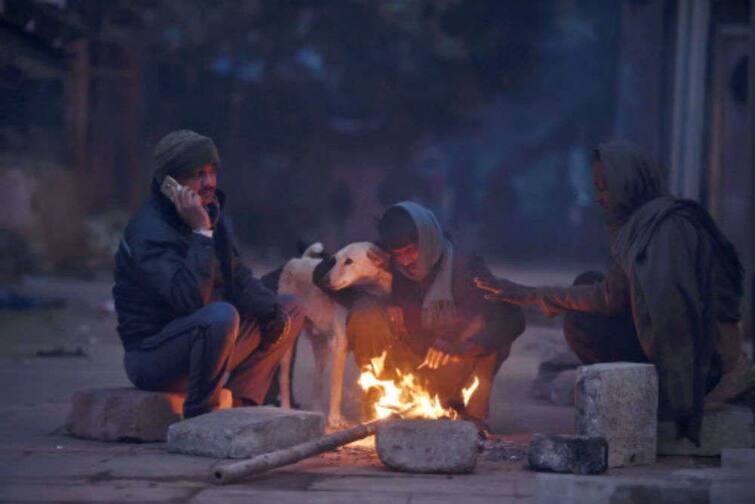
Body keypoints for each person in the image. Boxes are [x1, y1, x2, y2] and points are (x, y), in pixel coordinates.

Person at [476, 140, 748, 444]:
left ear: (630, 182)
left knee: (583, 322)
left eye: (606, 187)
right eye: (596, 187)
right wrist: (531, 294)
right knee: (586, 284)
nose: (600, 198)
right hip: (684, 346)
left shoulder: (667, 230)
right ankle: (637, 392)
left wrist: (680, 395)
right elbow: (610, 294)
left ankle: (648, 400)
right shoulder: (641, 226)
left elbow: (670, 315)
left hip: (704, 359)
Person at [113, 130, 303, 418]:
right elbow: (189, 301)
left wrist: (271, 313)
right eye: (198, 174)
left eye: (212, 172)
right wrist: (201, 233)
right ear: (170, 184)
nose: (209, 183)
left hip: (207, 346)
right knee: (221, 315)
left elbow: (237, 277)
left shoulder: (211, 212)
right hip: (154, 358)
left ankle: (241, 408)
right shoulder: (149, 231)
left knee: (290, 308)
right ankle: (201, 417)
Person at [346, 201, 525, 427]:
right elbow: (324, 276)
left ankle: (470, 414)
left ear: (427, 239)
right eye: (398, 254)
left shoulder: (464, 266)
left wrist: (462, 346)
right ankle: (380, 399)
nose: (405, 261)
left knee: (486, 324)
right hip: (405, 367)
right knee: (366, 312)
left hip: (452, 366)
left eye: (411, 251)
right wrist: (381, 301)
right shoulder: (384, 258)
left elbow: (511, 317)